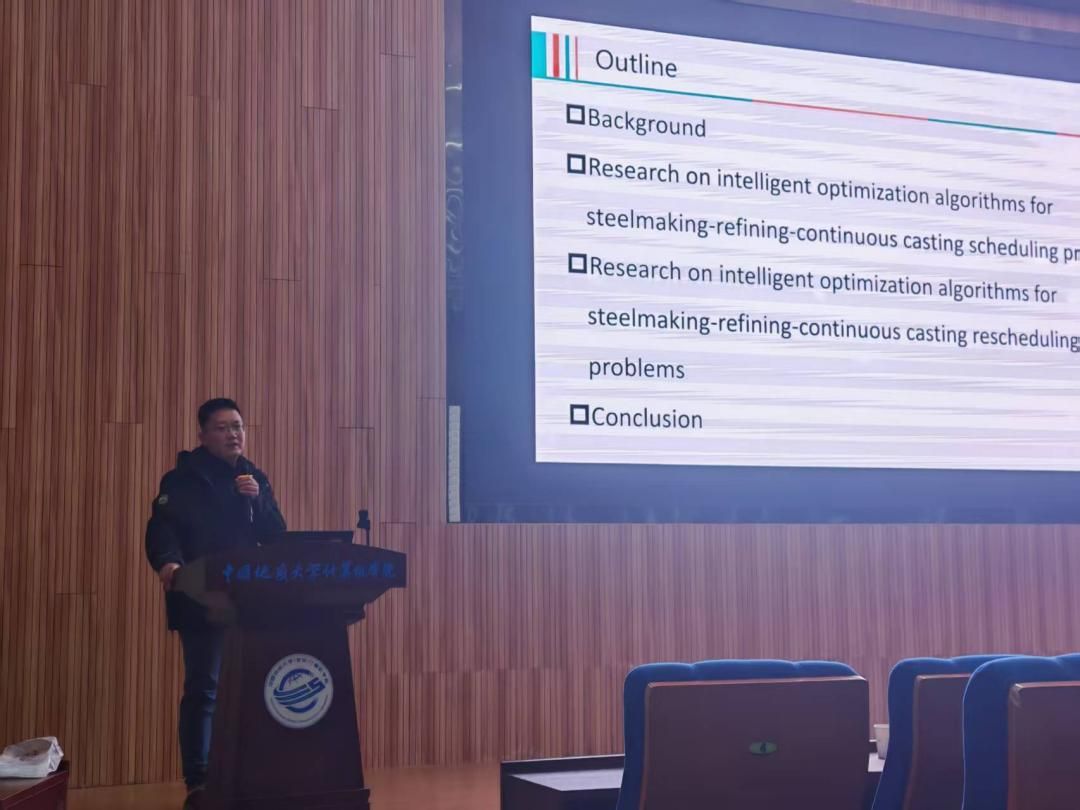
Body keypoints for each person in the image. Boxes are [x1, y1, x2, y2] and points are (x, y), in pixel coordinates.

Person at [145, 398, 286, 810]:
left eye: (238, 426)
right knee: (205, 688)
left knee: (252, 688)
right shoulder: (181, 480)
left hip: (249, 600)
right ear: (203, 435)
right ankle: (199, 780)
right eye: (222, 428)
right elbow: (162, 529)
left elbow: (275, 535)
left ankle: (248, 771)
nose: (233, 434)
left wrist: (257, 500)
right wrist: (168, 561)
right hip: (201, 596)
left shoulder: (253, 477)